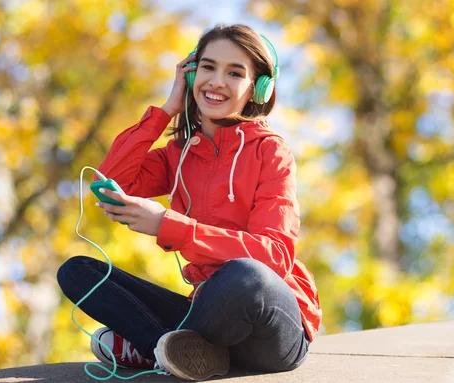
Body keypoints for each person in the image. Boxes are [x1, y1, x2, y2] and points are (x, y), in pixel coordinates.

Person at [57, 24, 322, 381]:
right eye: (208, 67)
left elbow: (273, 256)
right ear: (192, 73)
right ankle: (167, 349)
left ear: (258, 87)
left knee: (246, 275)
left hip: (268, 324)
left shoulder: (270, 150)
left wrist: (167, 225)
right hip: (204, 316)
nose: (216, 81)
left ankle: (151, 346)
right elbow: (114, 178)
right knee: (78, 272)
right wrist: (167, 108)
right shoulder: (179, 154)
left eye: (234, 73)